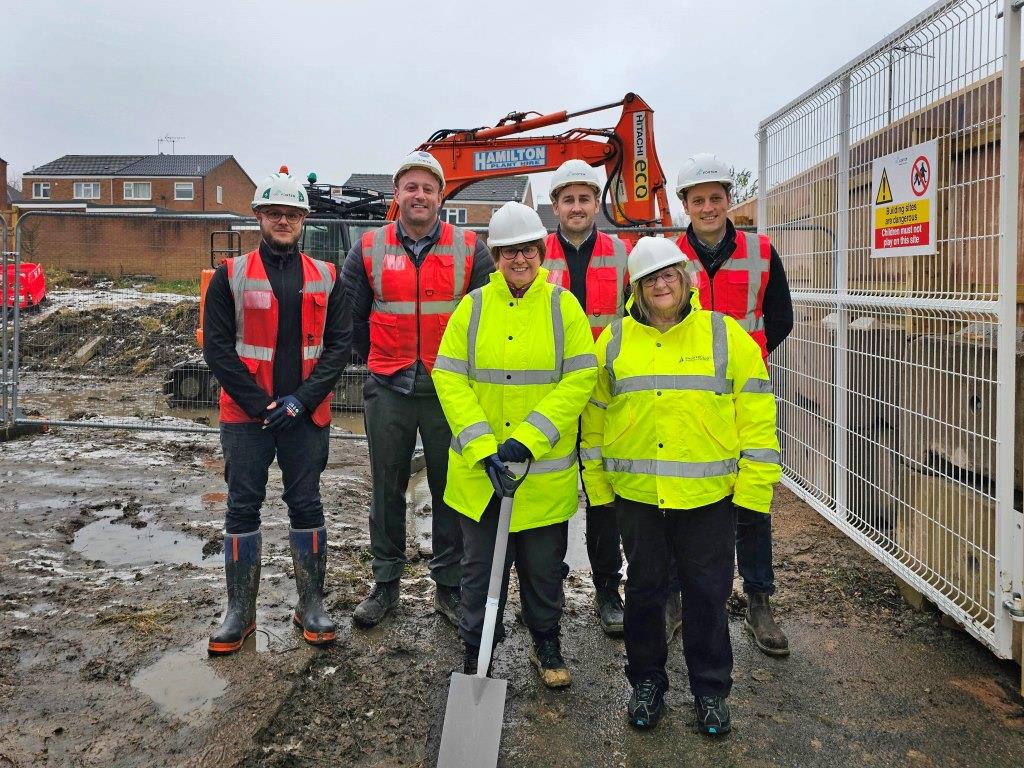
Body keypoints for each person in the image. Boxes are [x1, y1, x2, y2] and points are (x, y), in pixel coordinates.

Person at [581, 236, 781, 734]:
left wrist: (755, 493)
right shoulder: (615, 341)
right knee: (646, 592)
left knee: (707, 594)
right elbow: (595, 419)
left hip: (707, 497)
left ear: (685, 280)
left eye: (669, 274)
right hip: (639, 496)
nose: (661, 284)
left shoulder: (724, 335)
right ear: (637, 288)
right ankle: (646, 684)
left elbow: (756, 415)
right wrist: (600, 491)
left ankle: (711, 691)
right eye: (650, 278)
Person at [433, 202, 597, 687]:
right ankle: (475, 654)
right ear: (495, 255)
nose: (519, 260)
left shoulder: (561, 305)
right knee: (479, 575)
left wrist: (528, 438)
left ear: (540, 252)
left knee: (544, 573)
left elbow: (580, 376)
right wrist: (484, 448)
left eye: (527, 250)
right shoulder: (473, 306)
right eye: (509, 252)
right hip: (481, 479)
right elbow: (449, 375)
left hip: (541, 480)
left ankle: (545, 643)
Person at [341, 151, 494, 628]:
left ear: (441, 195)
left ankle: (448, 586)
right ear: (397, 196)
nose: (420, 195)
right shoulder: (367, 248)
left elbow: (485, 321)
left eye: (428, 188)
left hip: (449, 390)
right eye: (411, 187)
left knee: (452, 490)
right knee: (387, 487)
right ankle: (385, 583)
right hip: (389, 386)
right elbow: (352, 316)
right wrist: (382, 358)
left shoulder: (471, 248)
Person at [204, 167, 351, 654]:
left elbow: (338, 347)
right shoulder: (230, 275)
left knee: (306, 503)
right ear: (259, 217)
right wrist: (263, 404)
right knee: (242, 506)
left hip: (304, 417)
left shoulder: (329, 277)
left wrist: (300, 401)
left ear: (304, 219)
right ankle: (239, 613)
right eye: (274, 213)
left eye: (291, 214)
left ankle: (310, 605)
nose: (282, 221)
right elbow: (219, 351)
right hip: (248, 417)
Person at [673, 152, 794, 657]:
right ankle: (679, 597)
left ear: (728, 201)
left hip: (745, 398)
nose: (707, 207)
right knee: (683, 496)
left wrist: (747, 365)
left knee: (752, 494)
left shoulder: (761, 251)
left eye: (715, 198)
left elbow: (780, 317)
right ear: (685, 205)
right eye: (697, 200)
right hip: (685, 400)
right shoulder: (666, 254)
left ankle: (759, 598)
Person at [545, 159, 631, 636]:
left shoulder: (622, 255)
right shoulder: (535, 253)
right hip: (554, 395)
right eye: (568, 199)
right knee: (555, 492)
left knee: (603, 495)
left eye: (585, 198)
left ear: (596, 203)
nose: (577, 207)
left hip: (603, 395)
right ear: (555, 205)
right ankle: (550, 582)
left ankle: (606, 588)